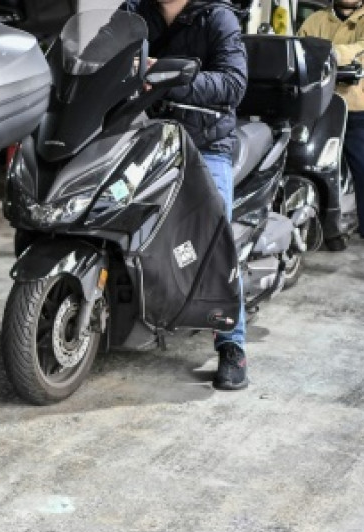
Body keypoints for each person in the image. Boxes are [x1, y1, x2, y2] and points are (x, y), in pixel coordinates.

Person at [124, 0, 250, 391]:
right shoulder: (133, 11)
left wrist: (166, 76)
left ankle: (233, 344)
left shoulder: (218, 17)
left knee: (215, 236)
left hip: (205, 143)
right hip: (148, 135)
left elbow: (233, 83)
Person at [299, 0, 364, 287]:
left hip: (354, 108)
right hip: (315, 106)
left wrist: (324, 53)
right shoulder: (316, 19)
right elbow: (298, 51)